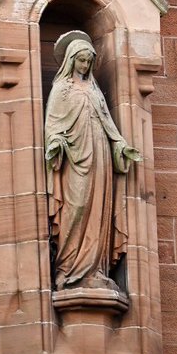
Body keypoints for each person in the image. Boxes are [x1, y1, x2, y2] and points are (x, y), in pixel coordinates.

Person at [44, 34, 140, 292]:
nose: (85, 66)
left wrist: (120, 145)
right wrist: (55, 143)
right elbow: (52, 125)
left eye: (88, 61)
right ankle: (68, 268)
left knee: (98, 209)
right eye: (81, 61)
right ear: (71, 61)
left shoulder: (96, 91)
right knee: (77, 207)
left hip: (100, 155)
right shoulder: (61, 89)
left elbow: (109, 124)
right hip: (74, 160)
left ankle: (96, 269)